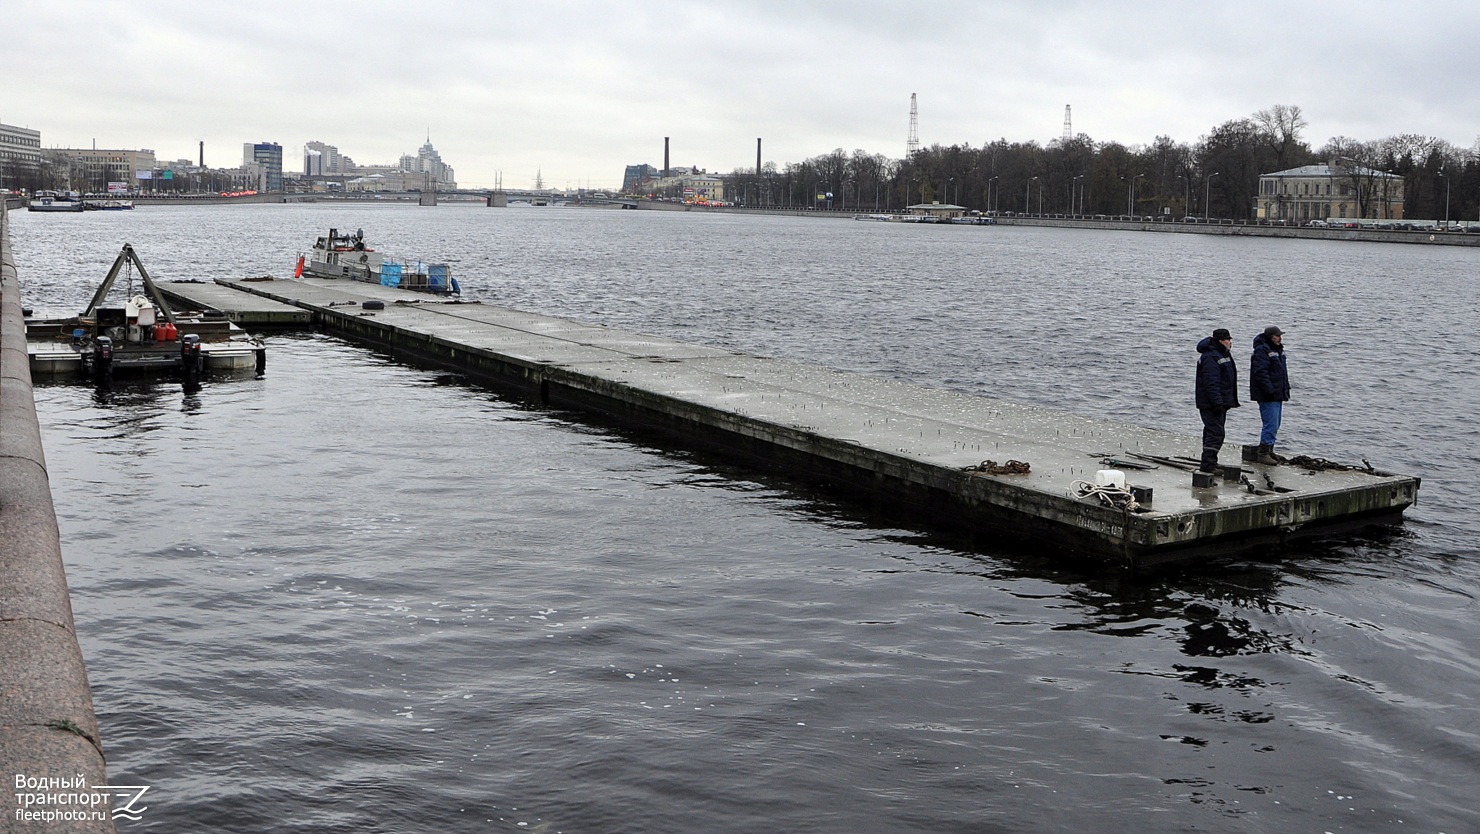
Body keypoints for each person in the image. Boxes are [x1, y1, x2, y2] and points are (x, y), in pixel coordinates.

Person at [1195, 328, 1240, 474]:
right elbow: (1211, 383)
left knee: (1212, 432)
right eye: (1228, 339)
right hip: (1211, 404)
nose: (1230, 342)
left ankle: (1210, 462)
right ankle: (1208, 465)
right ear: (1220, 341)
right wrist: (1217, 403)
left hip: (1221, 402)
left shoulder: (1223, 354)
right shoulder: (1210, 357)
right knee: (1216, 433)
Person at [1249, 325, 1291, 464]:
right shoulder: (1262, 350)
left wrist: (1284, 389)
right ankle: (1263, 453)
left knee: (1276, 423)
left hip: (1278, 393)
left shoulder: (1278, 350)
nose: (1280, 338)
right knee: (1270, 424)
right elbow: (1260, 373)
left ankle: (1270, 450)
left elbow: (1281, 373)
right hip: (1268, 395)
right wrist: (1270, 390)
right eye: (1277, 336)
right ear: (1270, 337)